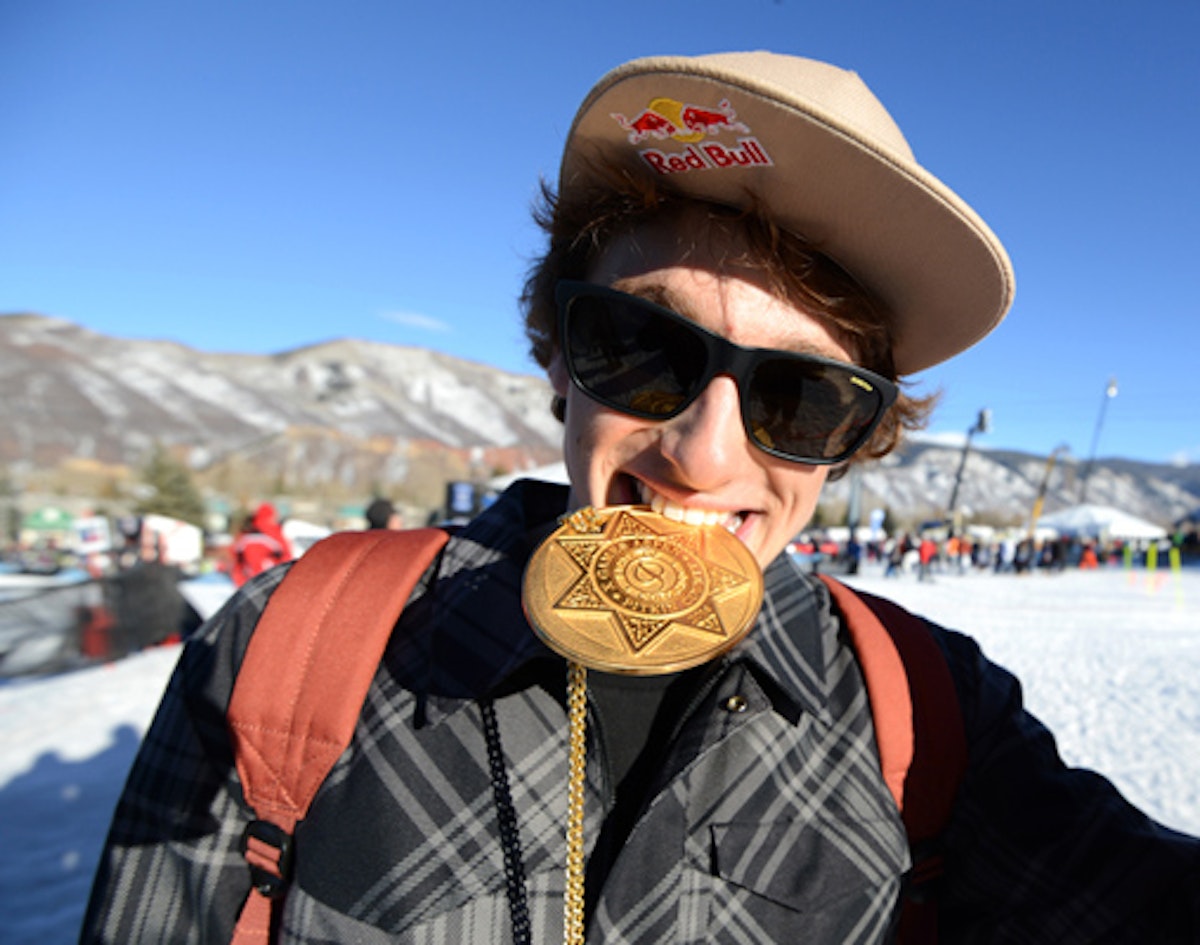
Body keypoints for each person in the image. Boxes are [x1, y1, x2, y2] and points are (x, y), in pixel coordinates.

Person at [81, 51, 1199, 944]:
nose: (706, 457)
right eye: (642, 347)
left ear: (853, 443)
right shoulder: (295, 646)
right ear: (561, 356)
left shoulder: (930, 712)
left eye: (804, 398)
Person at [228, 502, 293, 586]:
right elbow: (286, 555)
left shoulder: (246, 531)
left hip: (248, 580)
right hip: (271, 580)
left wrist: (239, 581)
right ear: (272, 516)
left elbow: (235, 557)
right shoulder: (275, 532)